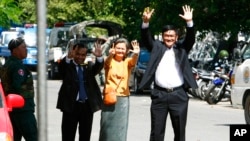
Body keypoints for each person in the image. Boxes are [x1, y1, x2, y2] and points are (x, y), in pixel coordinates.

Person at [139, 5, 197, 141]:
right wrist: (146, 22)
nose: (169, 38)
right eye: (166, 36)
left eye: (172, 36)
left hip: (179, 95)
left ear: (176, 37)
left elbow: (190, 39)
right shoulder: (156, 47)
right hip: (159, 95)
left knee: (179, 132)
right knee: (156, 133)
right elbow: (146, 38)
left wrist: (189, 23)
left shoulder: (182, 48)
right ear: (162, 37)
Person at [56, 40, 104, 141]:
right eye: (77, 54)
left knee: (85, 136)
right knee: (68, 136)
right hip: (70, 106)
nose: (80, 57)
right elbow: (62, 69)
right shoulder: (67, 65)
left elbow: (98, 67)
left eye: (83, 55)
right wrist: (68, 57)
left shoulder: (88, 66)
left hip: (87, 106)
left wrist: (99, 57)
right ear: (73, 53)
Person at [99, 38, 140, 141]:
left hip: (123, 99)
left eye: (123, 49)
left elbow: (133, 62)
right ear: (113, 48)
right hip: (110, 97)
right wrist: (110, 55)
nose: (120, 51)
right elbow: (107, 63)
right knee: (106, 127)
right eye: (118, 48)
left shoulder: (127, 62)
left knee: (121, 127)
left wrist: (136, 54)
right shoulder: (109, 60)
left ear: (126, 50)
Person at [1, 37, 38, 141]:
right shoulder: (18, 67)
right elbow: (17, 87)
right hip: (23, 110)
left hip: (12, 109)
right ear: (15, 50)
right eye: (23, 47)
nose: (26, 49)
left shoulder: (8, 64)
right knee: (33, 137)